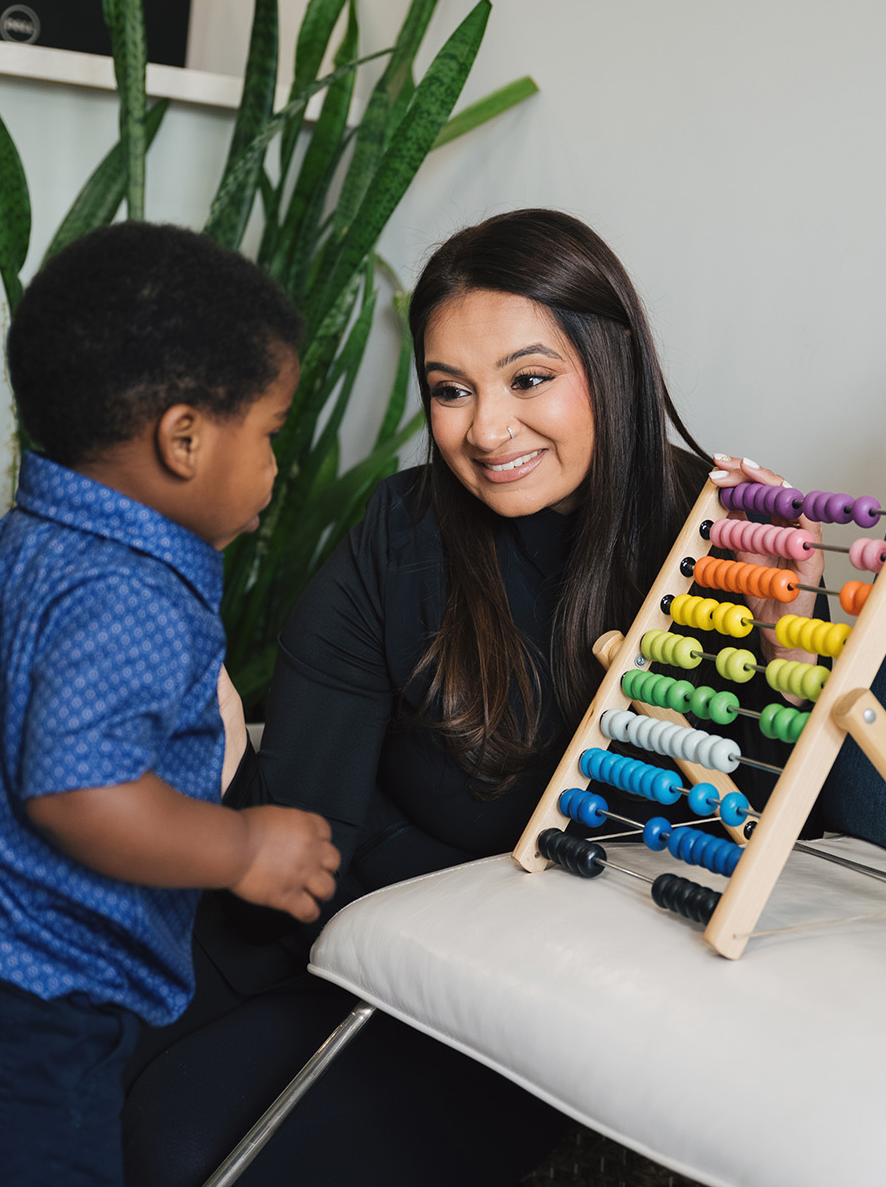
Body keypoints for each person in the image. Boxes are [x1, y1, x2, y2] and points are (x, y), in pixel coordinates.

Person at [122, 209, 827, 1186]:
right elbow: (302, 830)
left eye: (530, 378)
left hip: (520, 1004)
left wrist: (780, 642)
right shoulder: (398, 531)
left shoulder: (731, 556)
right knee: (34, 1075)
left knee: (184, 1148)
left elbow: (773, 849)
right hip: (336, 928)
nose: (487, 430)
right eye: (451, 390)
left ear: (613, 365)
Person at [0, 223, 344, 1187]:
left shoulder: (13, 548)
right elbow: (77, 793)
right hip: (18, 996)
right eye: (270, 436)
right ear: (183, 439)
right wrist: (242, 849)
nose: (278, 467)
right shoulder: (129, 592)